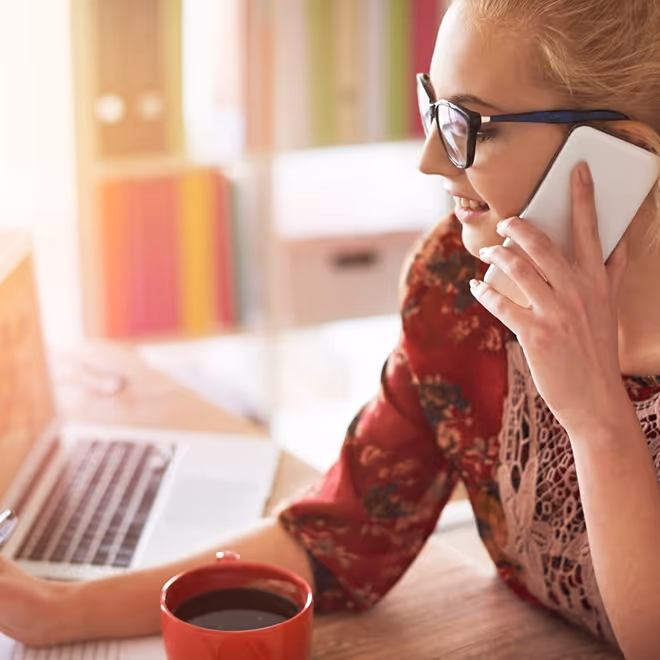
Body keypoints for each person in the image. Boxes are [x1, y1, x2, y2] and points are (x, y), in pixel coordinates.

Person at [3, 0, 660, 656]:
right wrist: (59, 610)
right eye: (433, 107)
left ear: (620, 155)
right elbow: (341, 531)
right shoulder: (460, 288)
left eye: (469, 125)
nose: (429, 158)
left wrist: (597, 421)